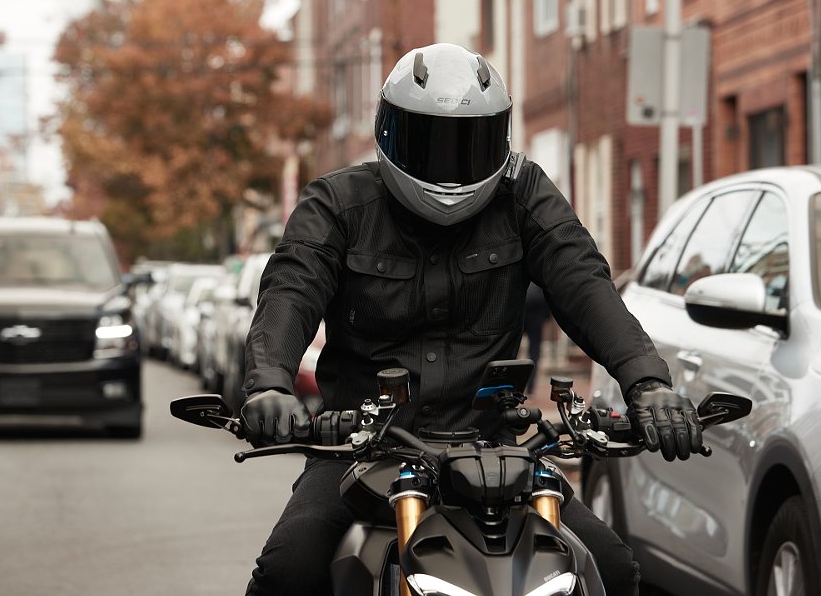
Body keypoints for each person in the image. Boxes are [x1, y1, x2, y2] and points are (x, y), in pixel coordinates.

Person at [238, 43, 703, 596]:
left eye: (469, 142)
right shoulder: (338, 204)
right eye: (429, 141)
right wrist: (269, 385)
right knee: (288, 571)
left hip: (500, 456)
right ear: (388, 132)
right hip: (361, 451)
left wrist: (647, 384)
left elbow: (585, 283)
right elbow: (291, 289)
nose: (449, 164)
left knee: (612, 568)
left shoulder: (525, 194)